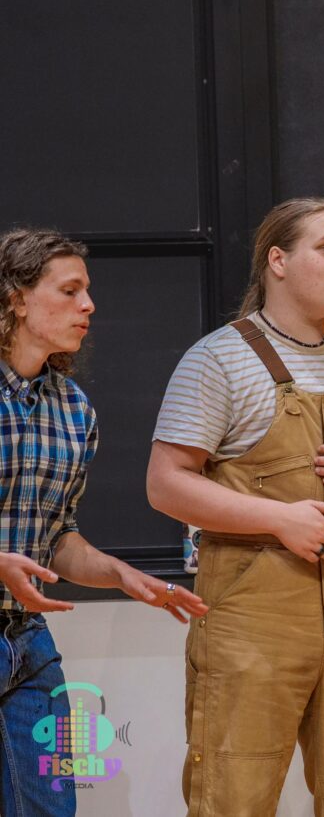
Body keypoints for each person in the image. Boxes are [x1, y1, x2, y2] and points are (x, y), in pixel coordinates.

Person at [146, 197, 324, 816]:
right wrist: (278, 519)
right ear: (278, 261)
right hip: (249, 608)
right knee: (235, 797)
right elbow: (165, 484)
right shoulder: (219, 358)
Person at [0, 228, 207, 817]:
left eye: (86, 291)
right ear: (16, 298)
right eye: (69, 291)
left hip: (24, 642)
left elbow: (57, 537)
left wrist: (118, 574)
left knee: (50, 808)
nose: (88, 306)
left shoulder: (73, 409)